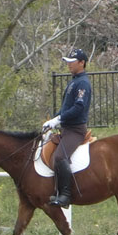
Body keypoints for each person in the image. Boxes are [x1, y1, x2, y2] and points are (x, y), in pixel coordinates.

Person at [42, 48, 92, 206]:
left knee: (60, 157)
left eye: (72, 62)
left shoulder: (82, 83)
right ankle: (56, 191)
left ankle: (65, 195)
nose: (69, 65)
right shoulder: (74, 81)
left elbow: (78, 107)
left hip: (75, 130)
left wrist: (59, 119)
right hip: (66, 128)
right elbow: (66, 107)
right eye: (68, 62)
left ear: (82, 63)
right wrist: (55, 118)